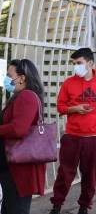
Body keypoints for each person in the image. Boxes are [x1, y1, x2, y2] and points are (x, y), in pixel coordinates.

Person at [0, 59, 46, 214]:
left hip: (18, 169)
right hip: (13, 165)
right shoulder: (21, 96)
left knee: (15, 208)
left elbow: (19, 129)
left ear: (22, 78)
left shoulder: (27, 97)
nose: (6, 79)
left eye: (9, 75)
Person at [49, 48, 96, 214]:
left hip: (93, 138)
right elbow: (60, 107)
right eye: (74, 64)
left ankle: (84, 207)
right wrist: (75, 108)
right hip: (72, 136)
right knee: (65, 173)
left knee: (90, 175)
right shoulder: (69, 83)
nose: (76, 67)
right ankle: (57, 205)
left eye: (79, 63)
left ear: (90, 63)